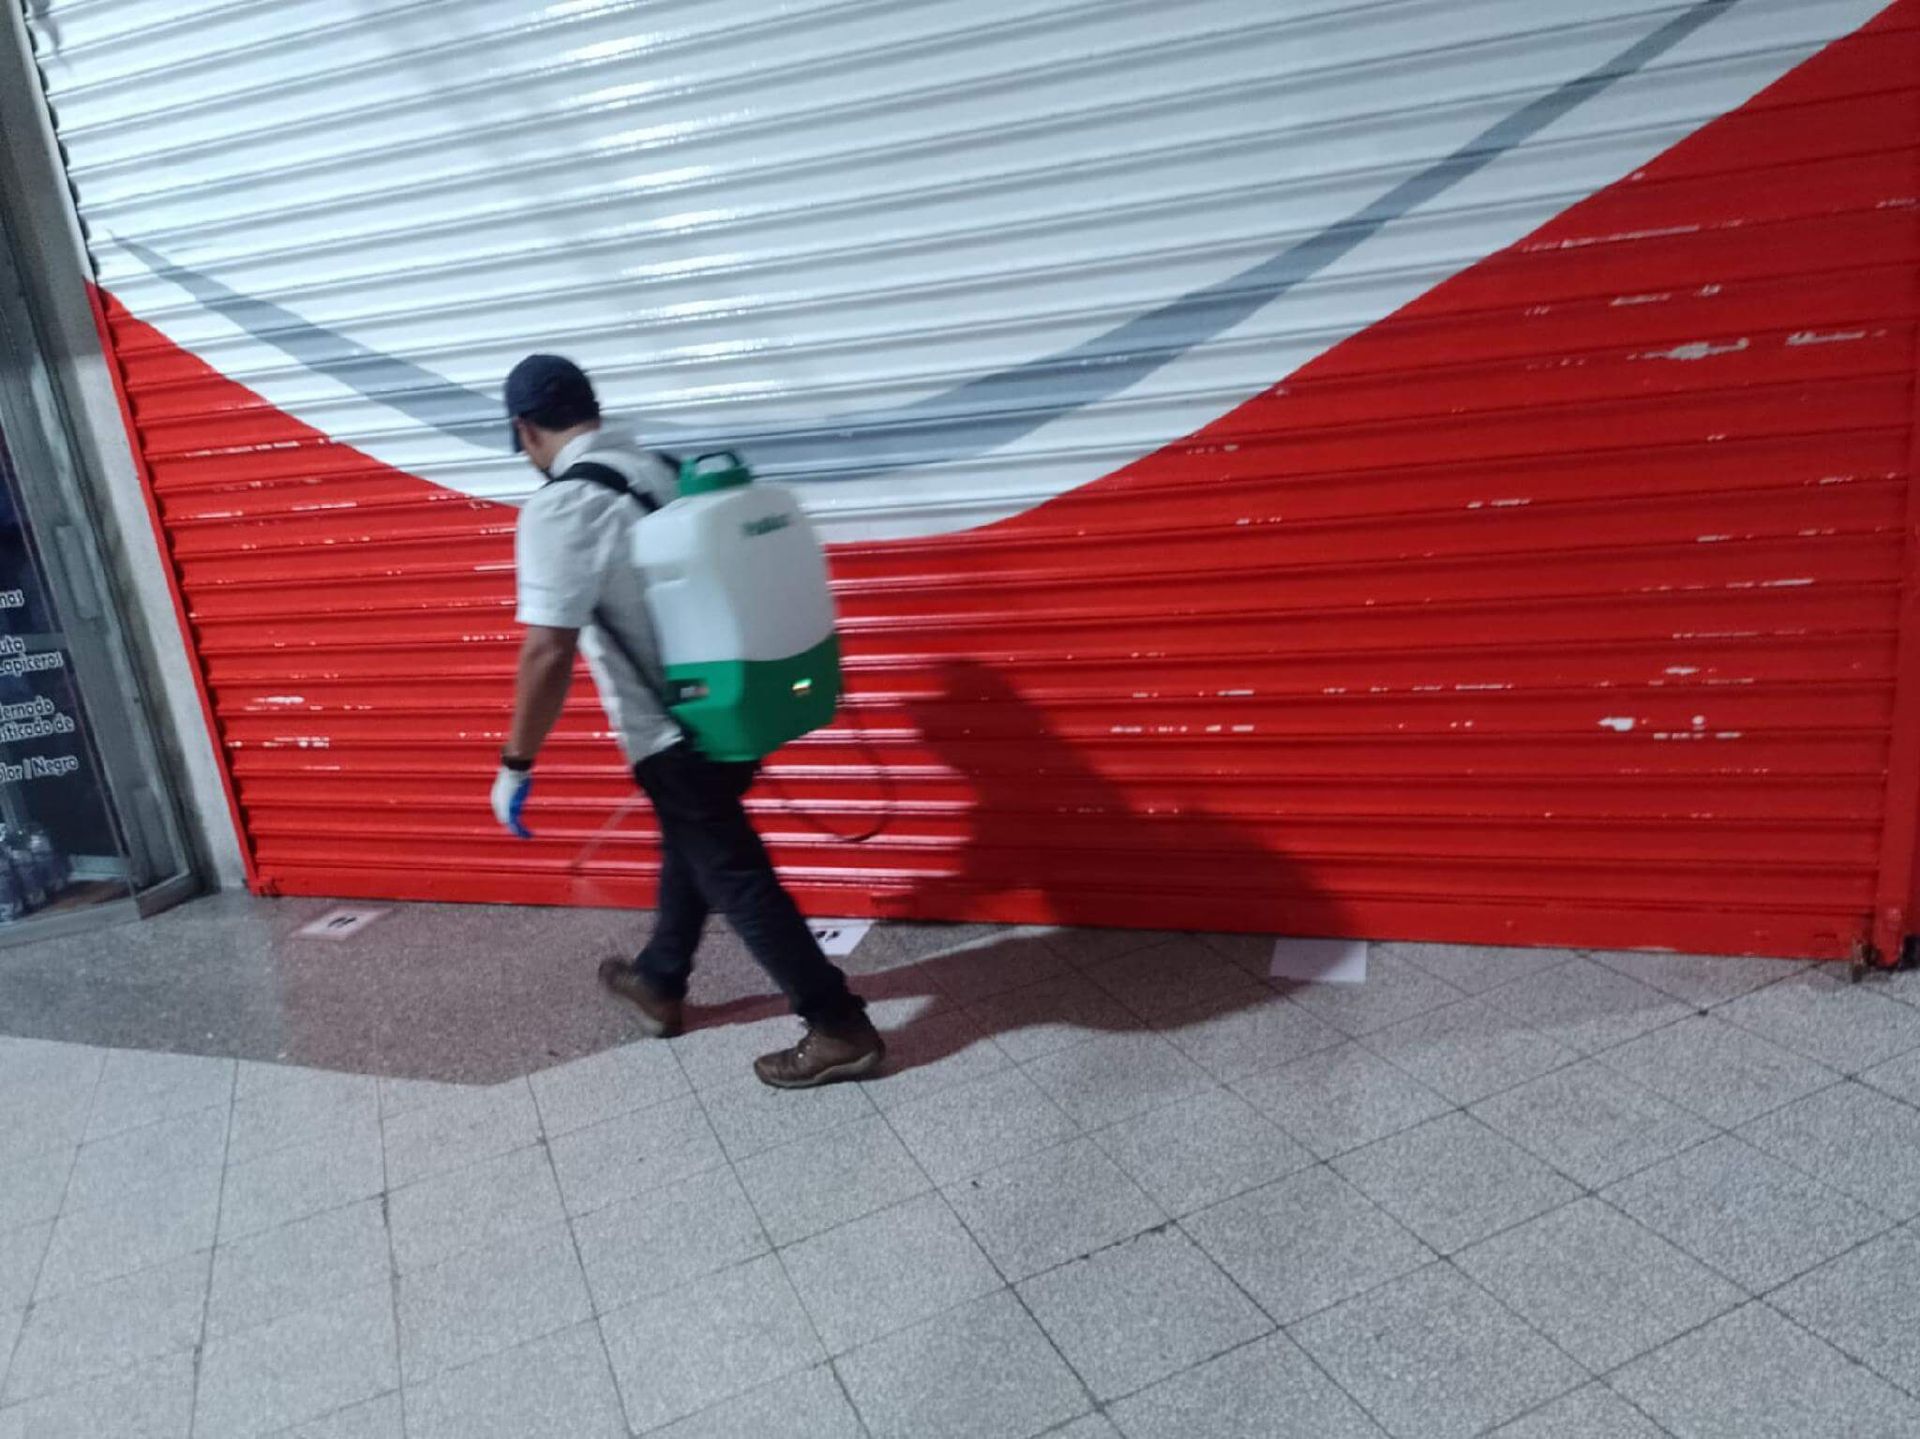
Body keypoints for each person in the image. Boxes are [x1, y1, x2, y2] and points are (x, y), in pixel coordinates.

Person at [488, 354, 883, 1088]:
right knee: (696, 846)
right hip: (734, 710)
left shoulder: (562, 505)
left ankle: (837, 1024)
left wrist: (516, 762)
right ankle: (660, 980)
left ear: (525, 430)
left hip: (670, 731)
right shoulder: (662, 470)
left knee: (736, 873)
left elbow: (548, 649)